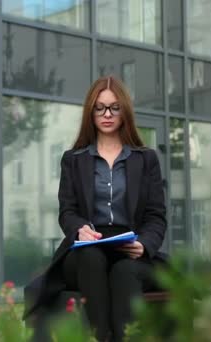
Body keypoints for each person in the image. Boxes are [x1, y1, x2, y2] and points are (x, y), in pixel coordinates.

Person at [23, 76, 167, 342]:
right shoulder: (73, 159)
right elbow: (67, 210)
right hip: (86, 249)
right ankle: (100, 337)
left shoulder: (146, 159)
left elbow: (156, 216)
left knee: (124, 272)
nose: (107, 114)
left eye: (114, 107)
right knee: (91, 258)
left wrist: (145, 245)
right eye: (99, 108)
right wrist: (80, 229)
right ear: (91, 112)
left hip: (131, 250)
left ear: (124, 111)